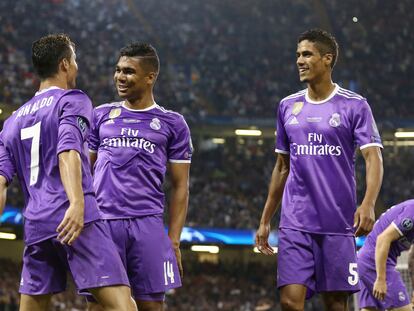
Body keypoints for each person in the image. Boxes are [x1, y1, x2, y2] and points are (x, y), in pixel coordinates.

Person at [0, 34, 136, 311]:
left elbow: (0, 182)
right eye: (74, 60)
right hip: (75, 219)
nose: (76, 66)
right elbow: (69, 150)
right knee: (123, 306)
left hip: (36, 225)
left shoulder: (11, 122)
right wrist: (76, 203)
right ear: (64, 64)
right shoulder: (72, 100)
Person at [255, 28, 383, 311]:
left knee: (336, 305)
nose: (300, 60)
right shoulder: (288, 106)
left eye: (307, 54)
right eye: (298, 55)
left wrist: (368, 203)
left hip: (337, 222)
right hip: (295, 221)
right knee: (289, 301)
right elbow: (281, 166)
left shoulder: (354, 105)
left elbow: (373, 158)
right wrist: (265, 218)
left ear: (328, 59)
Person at [87, 42, 192, 311]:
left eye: (129, 71)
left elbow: (180, 187)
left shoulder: (173, 123)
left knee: (151, 306)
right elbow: (83, 173)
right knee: (100, 306)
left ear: (150, 77)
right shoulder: (100, 115)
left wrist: (175, 240)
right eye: (118, 70)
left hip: (147, 224)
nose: (120, 77)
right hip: (104, 223)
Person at [357, 200, 414, 311]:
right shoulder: (412, 211)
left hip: (366, 260)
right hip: (373, 262)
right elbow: (383, 239)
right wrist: (380, 279)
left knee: (370, 309)